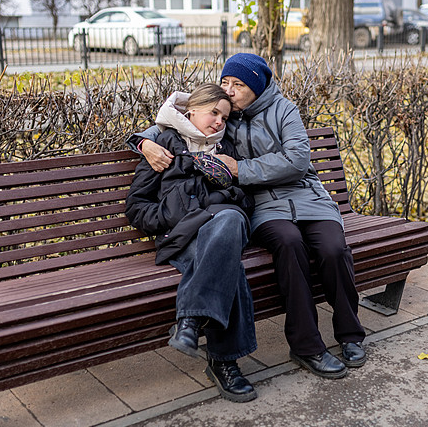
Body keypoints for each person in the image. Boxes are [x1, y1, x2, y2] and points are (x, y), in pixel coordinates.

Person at [131, 54, 367, 379]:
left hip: (304, 199)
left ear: (255, 87)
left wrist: (239, 169)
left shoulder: (280, 111)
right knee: (287, 245)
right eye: (225, 83)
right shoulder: (222, 123)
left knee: (332, 249)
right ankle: (304, 346)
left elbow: (297, 159)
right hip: (264, 208)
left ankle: (350, 335)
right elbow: (172, 122)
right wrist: (143, 142)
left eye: (237, 85)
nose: (228, 92)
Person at [125, 83, 258, 402]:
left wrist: (224, 192)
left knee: (229, 220)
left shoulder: (226, 150)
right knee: (229, 266)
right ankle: (224, 363)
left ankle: (189, 321)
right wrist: (171, 216)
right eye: (213, 113)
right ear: (192, 111)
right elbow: (136, 207)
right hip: (183, 236)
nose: (218, 122)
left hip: (222, 226)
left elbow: (246, 200)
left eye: (224, 118)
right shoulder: (164, 145)